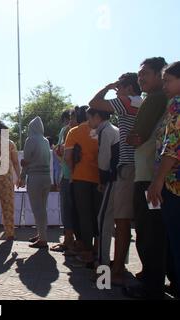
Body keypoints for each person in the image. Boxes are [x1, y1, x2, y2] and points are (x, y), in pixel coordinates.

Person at [89, 72, 143, 284]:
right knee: (124, 221)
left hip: (127, 168)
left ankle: (111, 270)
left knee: (113, 220)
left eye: (120, 86)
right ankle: (119, 266)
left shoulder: (129, 101)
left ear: (128, 87)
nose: (117, 90)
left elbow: (94, 102)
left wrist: (106, 86)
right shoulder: (141, 102)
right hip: (136, 167)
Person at [123, 57, 170, 299]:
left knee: (148, 231)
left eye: (145, 74)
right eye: (140, 74)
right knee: (157, 231)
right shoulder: (164, 98)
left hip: (148, 178)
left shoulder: (155, 98)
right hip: (153, 175)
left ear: (159, 75)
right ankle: (155, 279)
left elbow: (136, 137)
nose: (141, 78)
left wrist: (133, 137)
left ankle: (152, 287)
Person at [147, 61, 180, 297]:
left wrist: (157, 181)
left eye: (168, 80)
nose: (165, 85)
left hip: (173, 185)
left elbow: (173, 147)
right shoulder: (172, 104)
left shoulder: (177, 105)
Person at [64, 106, 102, 265]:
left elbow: (67, 157)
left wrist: (72, 173)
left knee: (84, 215)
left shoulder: (74, 132)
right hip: (100, 177)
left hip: (80, 177)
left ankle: (86, 251)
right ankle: (97, 248)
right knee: (97, 214)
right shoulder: (100, 129)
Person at [86, 108, 119, 269]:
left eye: (90, 119)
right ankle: (119, 263)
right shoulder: (115, 129)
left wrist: (102, 180)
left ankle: (102, 263)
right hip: (121, 178)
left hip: (113, 179)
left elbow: (104, 160)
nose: (89, 123)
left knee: (103, 221)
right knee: (120, 222)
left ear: (97, 117)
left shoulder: (106, 131)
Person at [19, 117, 52, 249]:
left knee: (37, 209)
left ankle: (43, 239)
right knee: (42, 208)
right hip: (46, 177)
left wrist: (22, 177)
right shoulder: (45, 141)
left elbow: (26, 162)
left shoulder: (30, 140)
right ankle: (41, 234)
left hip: (35, 177)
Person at [51, 109, 77, 252]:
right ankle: (74, 241)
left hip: (69, 175)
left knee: (68, 209)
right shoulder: (89, 130)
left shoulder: (69, 131)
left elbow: (61, 151)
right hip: (75, 175)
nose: (69, 122)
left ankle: (69, 241)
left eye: (72, 118)